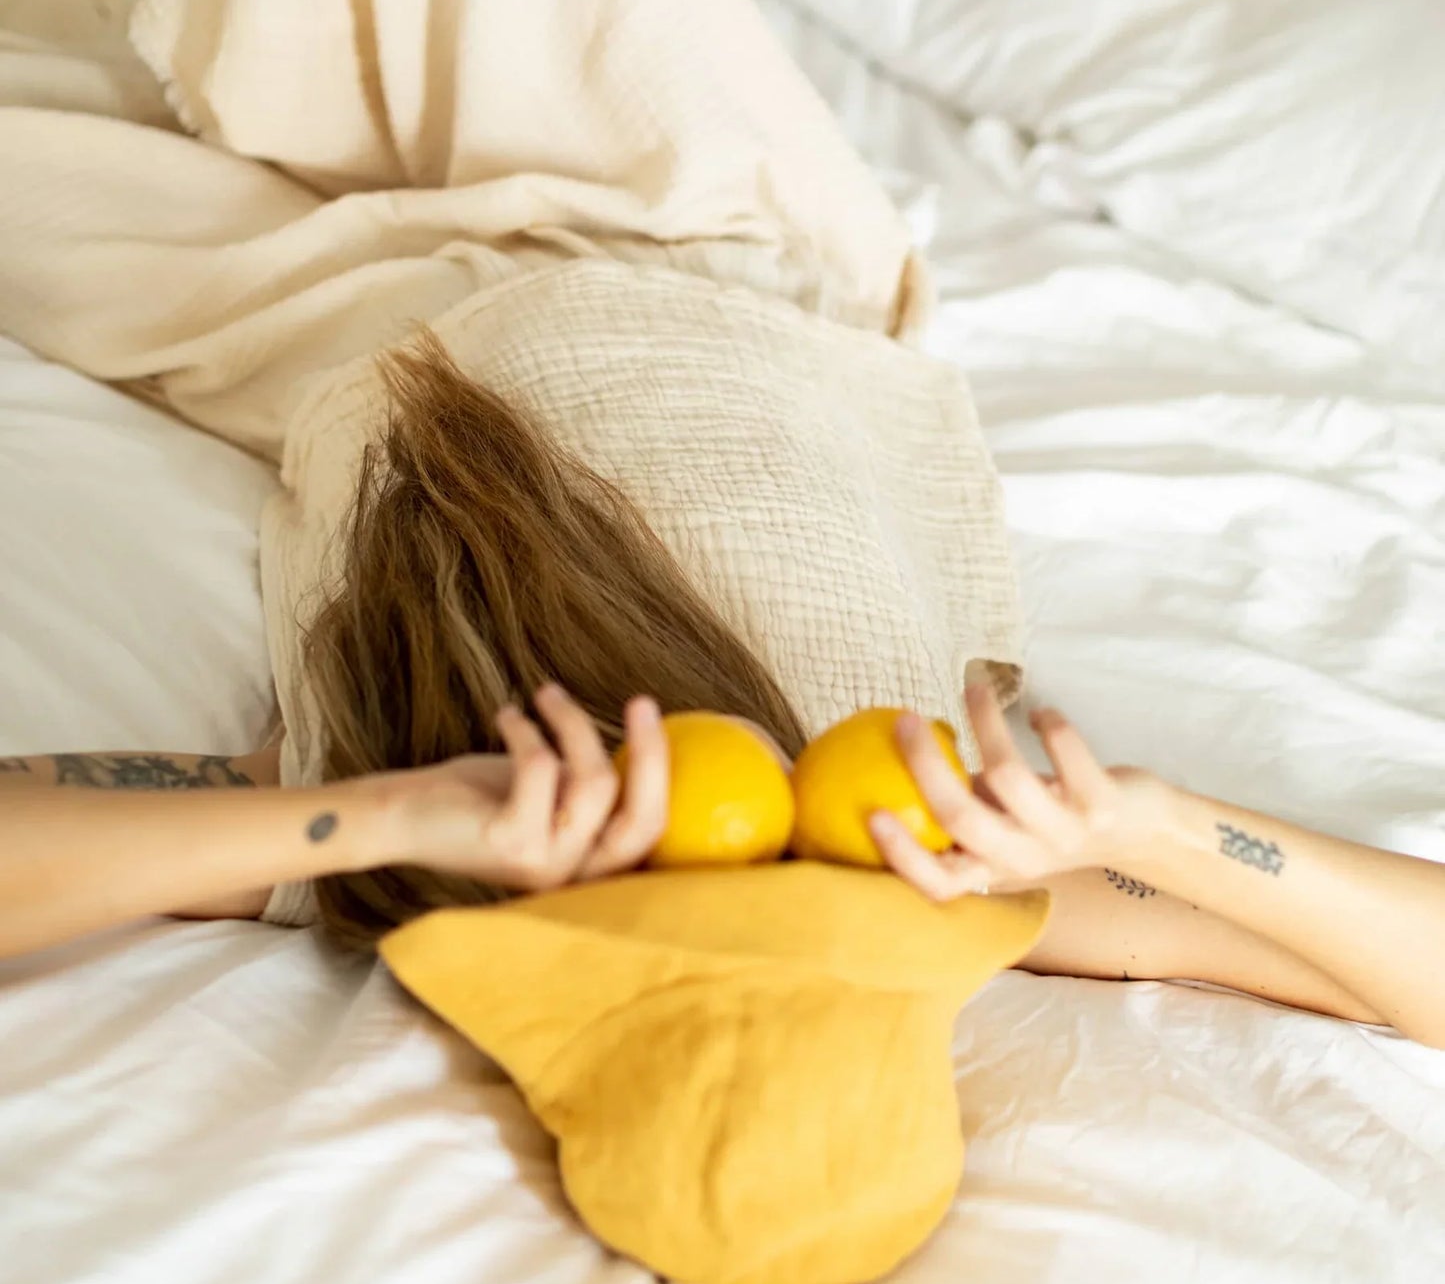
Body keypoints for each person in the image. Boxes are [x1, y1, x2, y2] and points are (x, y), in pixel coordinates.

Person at [2, 347, 1442, 1047]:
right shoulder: (929, 864)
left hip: (382, 304)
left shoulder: (441, 825)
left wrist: (377, 811)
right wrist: (1174, 829)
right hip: (747, 276)